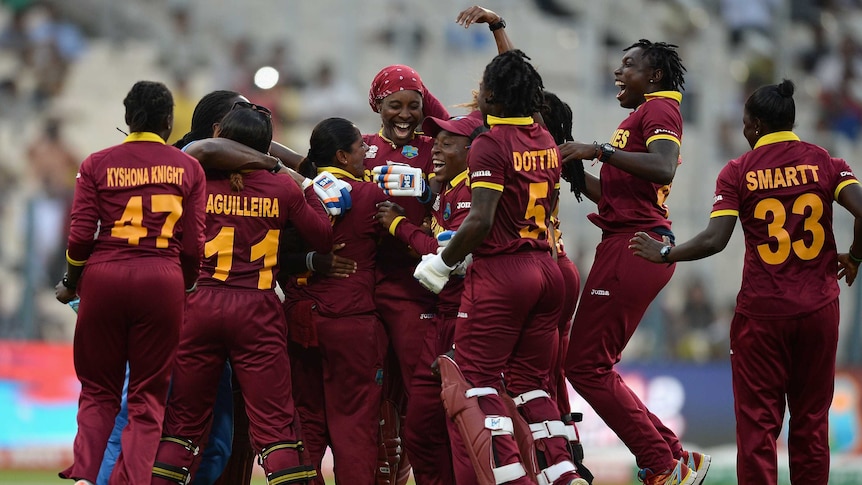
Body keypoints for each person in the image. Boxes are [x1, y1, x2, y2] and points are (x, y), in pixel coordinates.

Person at [629, 79, 862, 485]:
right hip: (819, 311)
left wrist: (667, 252)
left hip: (763, 316)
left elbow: (714, 240)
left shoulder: (739, 171)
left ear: (754, 125)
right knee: (810, 424)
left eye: (744, 123)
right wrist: (856, 257)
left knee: (758, 429)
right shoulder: (826, 162)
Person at [414, 49, 588, 485]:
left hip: (505, 271)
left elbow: (481, 219)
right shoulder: (545, 139)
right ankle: (564, 474)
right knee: (531, 383)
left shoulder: (490, 143)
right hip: (549, 266)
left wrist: (441, 263)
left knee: (474, 381)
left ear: (491, 94)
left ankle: (513, 478)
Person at [152, 105, 331, 485]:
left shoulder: (194, 178)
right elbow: (323, 236)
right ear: (264, 147)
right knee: (275, 427)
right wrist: (305, 183)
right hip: (257, 308)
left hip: (200, 302)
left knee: (183, 425)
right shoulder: (282, 186)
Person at [557, 39, 707, 485]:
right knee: (591, 364)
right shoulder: (644, 114)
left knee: (584, 365)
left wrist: (598, 150)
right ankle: (675, 457)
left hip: (634, 246)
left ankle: (662, 465)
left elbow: (663, 168)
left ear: (655, 75)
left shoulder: (659, 110)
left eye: (629, 65)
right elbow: (618, 195)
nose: (619, 72)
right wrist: (570, 166)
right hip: (629, 240)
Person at [54, 80, 207, 485]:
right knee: (146, 397)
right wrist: (185, 283)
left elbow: (80, 236)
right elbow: (193, 245)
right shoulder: (189, 168)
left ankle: (86, 475)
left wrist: (72, 282)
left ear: (127, 118)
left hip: (103, 277)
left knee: (98, 390)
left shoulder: (96, 163)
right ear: (170, 121)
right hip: (162, 279)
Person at [375, 111, 485, 485]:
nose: (435, 150)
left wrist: (398, 225)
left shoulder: (471, 192)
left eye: (447, 143)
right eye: (435, 143)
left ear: (473, 150)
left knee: (460, 428)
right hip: (440, 316)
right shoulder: (449, 188)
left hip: (465, 319)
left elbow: (453, 259)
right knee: (420, 429)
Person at [280, 117, 388, 484]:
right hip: (351, 323)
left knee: (306, 423)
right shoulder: (370, 195)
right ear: (342, 155)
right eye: (360, 148)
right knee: (354, 427)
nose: (366, 153)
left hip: (301, 319)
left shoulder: (296, 191)